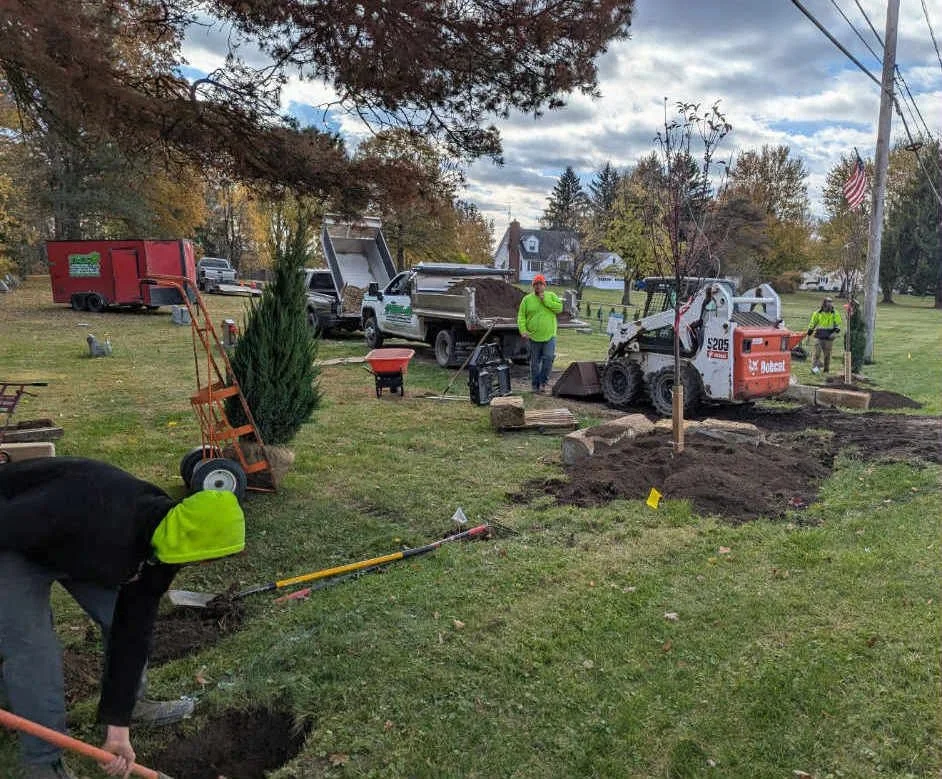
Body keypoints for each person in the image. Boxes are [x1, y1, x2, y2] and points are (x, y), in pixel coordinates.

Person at [0, 457, 245, 779]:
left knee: (118, 617)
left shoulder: (172, 535)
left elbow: (133, 626)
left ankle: (131, 705)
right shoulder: (96, 516)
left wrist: (118, 726)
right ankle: (43, 762)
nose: (207, 564)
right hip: (15, 538)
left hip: (76, 548)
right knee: (33, 651)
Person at [517, 274, 563, 393]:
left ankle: (543, 382)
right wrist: (523, 330)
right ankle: (535, 385)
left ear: (544, 285)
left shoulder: (551, 296)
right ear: (533, 286)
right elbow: (521, 316)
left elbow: (559, 309)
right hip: (533, 336)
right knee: (535, 363)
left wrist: (545, 300)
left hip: (549, 335)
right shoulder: (527, 299)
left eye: (540, 284)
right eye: (536, 284)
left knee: (548, 358)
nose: (538, 286)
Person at [806, 296, 843, 374]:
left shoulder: (835, 313)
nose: (830, 305)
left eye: (831, 303)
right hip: (819, 336)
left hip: (829, 337)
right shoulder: (817, 313)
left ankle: (826, 370)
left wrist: (834, 333)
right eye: (828, 303)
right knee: (816, 354)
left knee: (827, 355)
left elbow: (838, 325)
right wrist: (808, 334)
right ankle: (815, 370)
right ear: (823, 305)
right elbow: (812, 324)